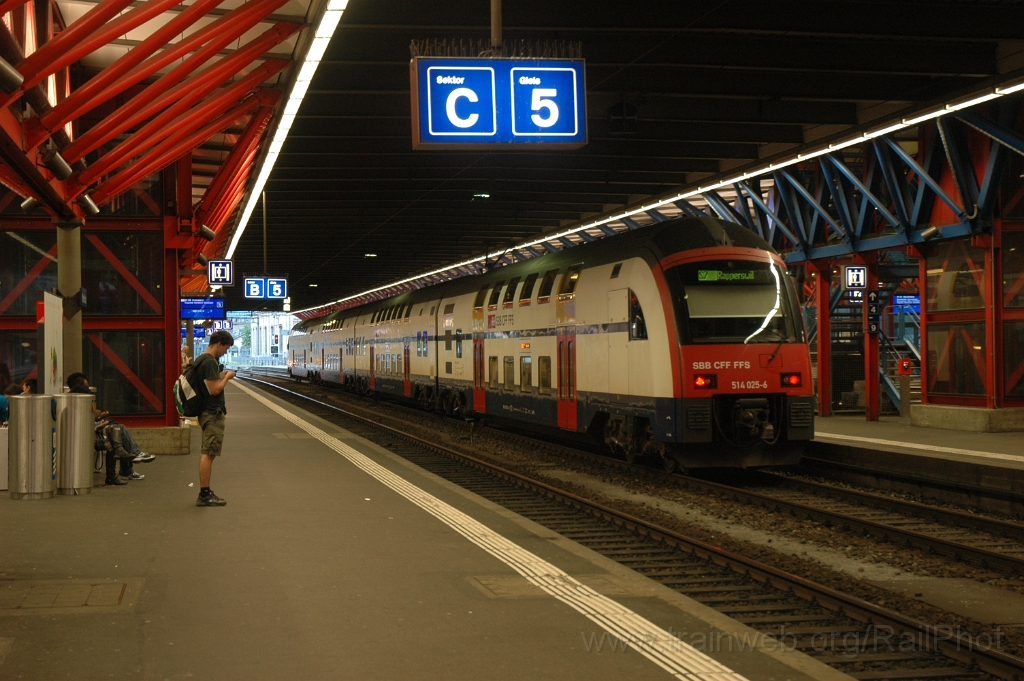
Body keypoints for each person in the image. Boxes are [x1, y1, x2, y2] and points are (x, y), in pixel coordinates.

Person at [67, 373, 155, 485]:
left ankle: (129, 463)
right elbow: (87, 420)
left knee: (117, 430)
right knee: (116, 434)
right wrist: (98, 418)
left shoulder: (71, 400)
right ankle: (128, 465)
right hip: (90, 436)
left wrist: (98, 416)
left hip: (89, 432)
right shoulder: (80, 398)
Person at [195, 330, 236, 507]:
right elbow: (214, 390)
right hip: (211, 412)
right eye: (225, 348)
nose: (225, 352)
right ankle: (204, 494)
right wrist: (226, 377)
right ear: (219, 344)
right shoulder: (210, 362)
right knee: (208, 452)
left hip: (206, 411)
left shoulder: (200, 359)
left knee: (209, 452)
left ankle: (206, 491)